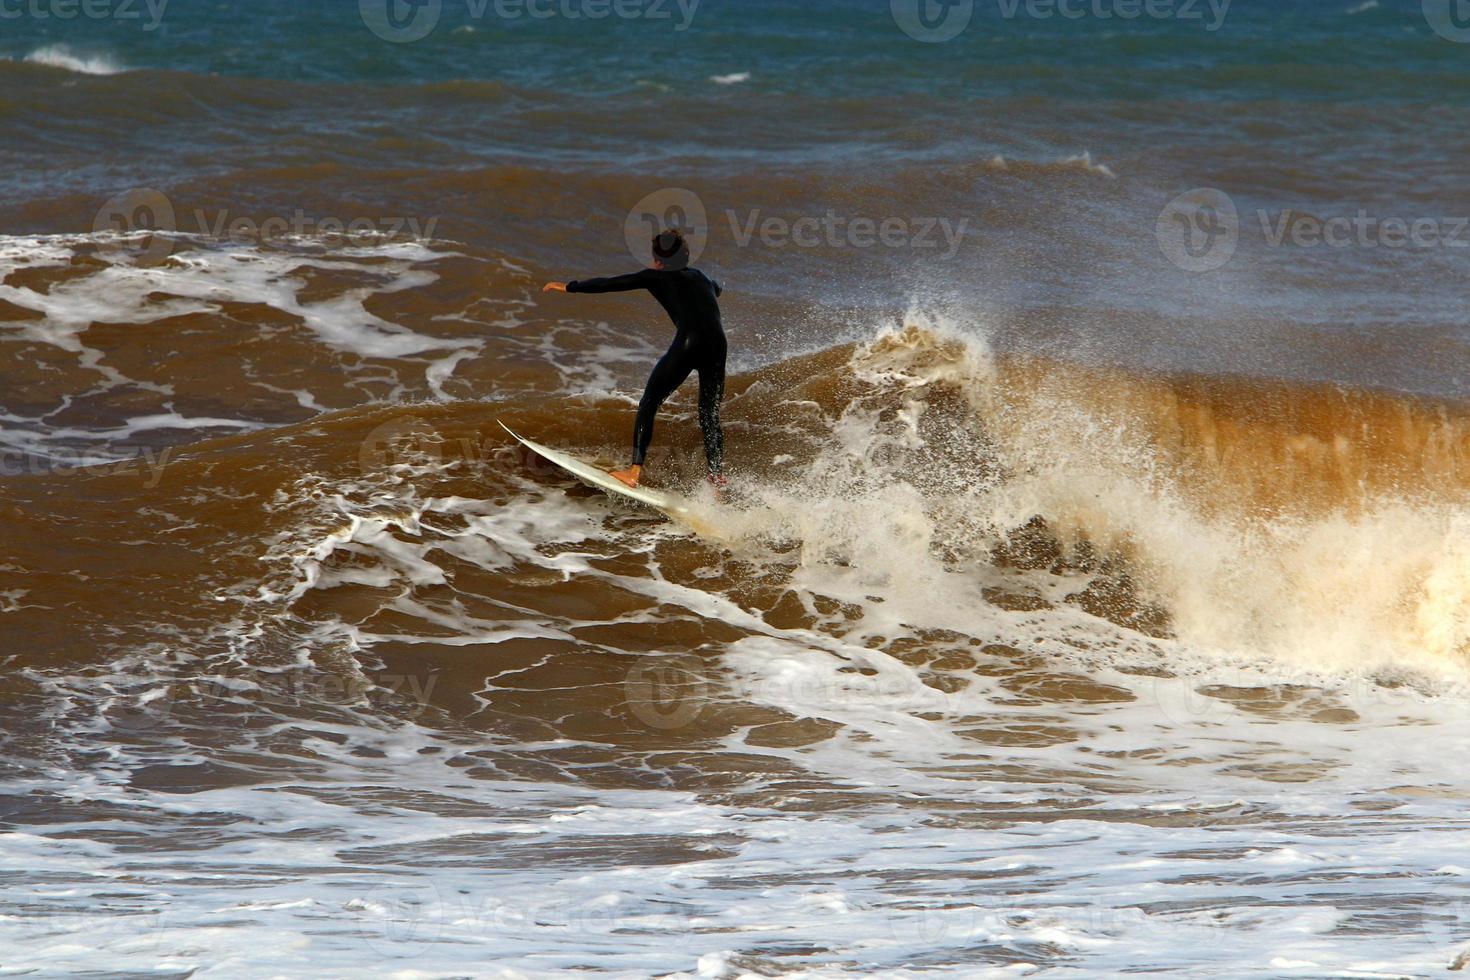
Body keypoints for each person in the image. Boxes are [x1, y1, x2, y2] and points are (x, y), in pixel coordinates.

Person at [543, 229, 727, 490]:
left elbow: (610, 284)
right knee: (709, 414)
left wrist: (569, 287)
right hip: (718, 345)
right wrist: (716, 287)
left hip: (690, 343)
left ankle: (633, 473)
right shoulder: (701, 277)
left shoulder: (655, 276)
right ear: (685, 255)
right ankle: (717, 479)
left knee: (649, 402)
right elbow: (717, 288)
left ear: (658, 261)